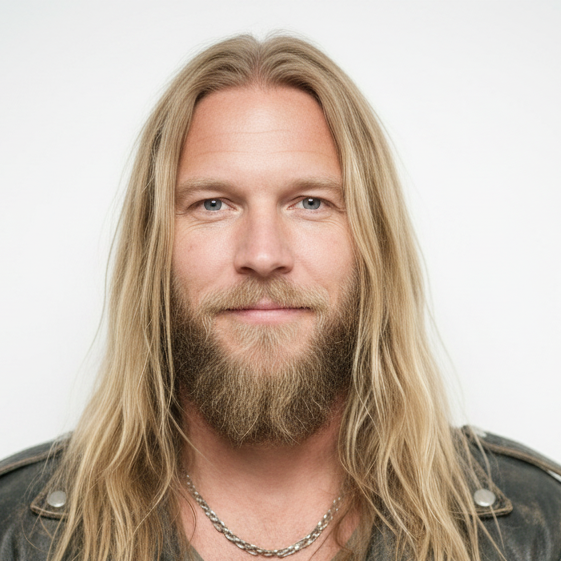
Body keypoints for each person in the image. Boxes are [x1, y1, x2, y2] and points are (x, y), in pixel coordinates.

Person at [0, 34, 560, 561]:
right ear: (153, 250)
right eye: (213, 204)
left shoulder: (536, 530)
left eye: (311, 202)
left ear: (374, 244)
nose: (263, 254)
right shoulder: (15, 532)